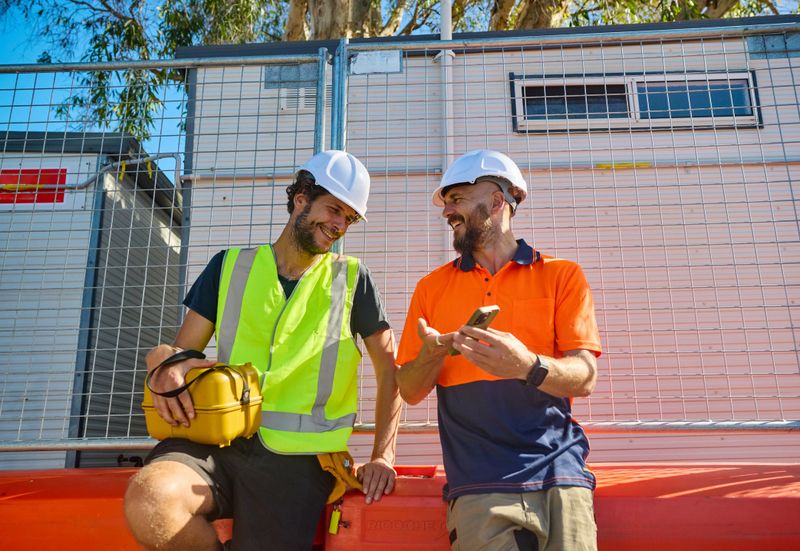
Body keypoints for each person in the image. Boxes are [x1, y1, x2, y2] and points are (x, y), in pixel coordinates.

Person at [125, 150, 402, 551]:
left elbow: (390, 368)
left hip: (298, 463)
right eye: (334, 209)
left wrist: (383, 454)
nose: (340, 225)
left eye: (349, 218)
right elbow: (182, 353)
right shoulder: (229, 266)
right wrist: (163, 361)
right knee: (149, 499)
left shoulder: (353, 280)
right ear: (301, 198)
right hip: (214, 443)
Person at [395, 149, 602, 550]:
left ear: (495, 201)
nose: (446, 213)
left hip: (561, 476)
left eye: (456, 200)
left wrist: (528, 366)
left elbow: (585, 378)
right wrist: (433, 353)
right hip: (478, 484)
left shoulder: (562, 276)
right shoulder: (430, 289)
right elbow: (409, 390)